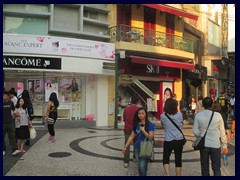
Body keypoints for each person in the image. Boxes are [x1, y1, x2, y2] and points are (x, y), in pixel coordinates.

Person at [193, 97, 228, 176]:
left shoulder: (198, 115)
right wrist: (224, 145)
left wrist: (201, 135)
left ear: (203, 105)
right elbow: (222, 131)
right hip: (216, 144)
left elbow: (195, 131)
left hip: (204, 145)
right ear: (212, 105)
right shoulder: (218, 115)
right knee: (216, 168)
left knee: (205, 167)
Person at [122, 107, 154, 176]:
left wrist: (143, 130)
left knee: (142, 166)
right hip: (137, 148)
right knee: (140, 166)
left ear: (146, 114)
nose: (140, 115)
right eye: (139, 113)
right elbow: (131, 136)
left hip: (145, 148)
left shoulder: (150, 124)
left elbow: (150, 137)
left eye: (142, 113)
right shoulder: (136, 124)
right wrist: (125, 147)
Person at [160, 98, 185, 176]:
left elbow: (163, 126)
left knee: (166, 159)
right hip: (179, 140)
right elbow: (181, 125)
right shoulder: (180, 115)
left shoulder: (163, 116)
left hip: (168, 140)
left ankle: (168, 175)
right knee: (178, 159)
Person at [122, 95, 140, 168]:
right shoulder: (138, 110)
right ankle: (135, 157)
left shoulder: (126, 109)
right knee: (136, 144)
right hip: (136, 129)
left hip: (127, 129)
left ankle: (126, 162)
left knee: (127, 145)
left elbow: (124, 119)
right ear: (138, 102)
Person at [3, 91, 21, 156]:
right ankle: (3, 150)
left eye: (5, 95)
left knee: (12, 137)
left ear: (8, 96)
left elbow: (14, 110)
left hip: (10, 122)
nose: (3, 97)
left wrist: (17, 115)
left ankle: (15, 150)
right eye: (3, 95)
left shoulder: (11, 102)